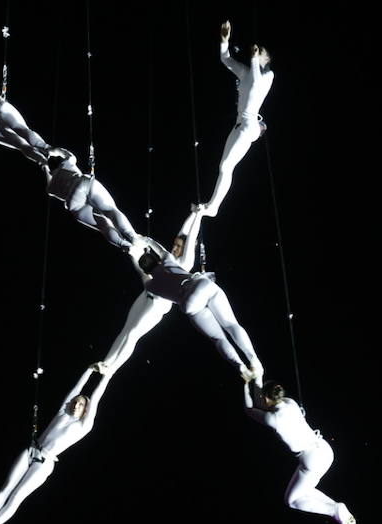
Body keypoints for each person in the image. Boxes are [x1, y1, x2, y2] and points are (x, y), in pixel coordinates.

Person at [100, 208, 262, 381]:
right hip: (199, 285)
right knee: (230, 324)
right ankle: (254, 360)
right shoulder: (168, 260)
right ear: (155, 261)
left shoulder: (152, 285)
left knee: (218, 338)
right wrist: (143, 240)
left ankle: (240, 366)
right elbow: (159, 247)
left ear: (146, 269)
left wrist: (132, 253)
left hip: (188, 303)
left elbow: (141, 273)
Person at [0, 364, 112, 524]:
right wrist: (89, 370)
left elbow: (95, 399)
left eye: (81, 405)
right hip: (31, 450)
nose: (75, 405)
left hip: (45, 462)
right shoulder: (63, 412)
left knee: (17, 495)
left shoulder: (83, 427)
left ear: (85, 411)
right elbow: (76, 389)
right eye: (75, 402)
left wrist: (105, 377)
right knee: (7, 486)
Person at [243, 380, 356, 524]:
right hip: (324, 449)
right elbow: (263, 404)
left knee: (292, 500)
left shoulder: (272, 419)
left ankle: (334, 509)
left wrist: (246, 385)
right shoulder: (290, 402)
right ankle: (336, 508)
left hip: (312, 460)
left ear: (265, 398)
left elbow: (249, 409)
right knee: (305, 490)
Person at [200, 21, 274, 218]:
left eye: (261, 53)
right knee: (223, 167)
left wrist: (253, 58)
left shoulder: (267, 77)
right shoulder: (246, 72)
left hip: (248, 126)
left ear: (265, 59)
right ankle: (212, 206)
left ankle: (213, 207)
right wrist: (224, 39)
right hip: (240, 126)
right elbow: (226, 60)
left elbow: (256, 83)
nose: (257, 54)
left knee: (226, 167)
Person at [42, 147, 140, 250]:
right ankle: (134, 238)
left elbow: (48, 180)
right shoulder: (66, 162)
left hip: (73, 203)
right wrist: (52, 150)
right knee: (110, 211)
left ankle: (125, 246)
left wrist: (45, 166)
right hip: (81, 184)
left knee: (103, 226)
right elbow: (64, 152)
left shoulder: (51, 187)